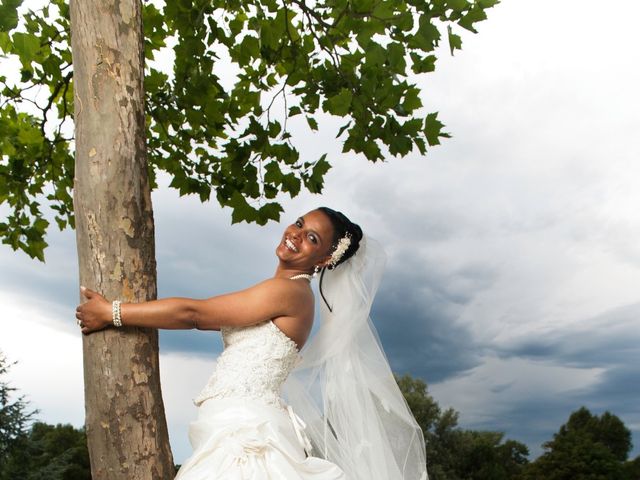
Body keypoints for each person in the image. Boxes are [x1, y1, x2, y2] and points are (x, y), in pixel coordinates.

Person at [76, 207, 428, 479]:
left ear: (323, 261)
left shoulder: (289, 292)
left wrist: (112, 313)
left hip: (245, 436)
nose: (296, 234)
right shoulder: (287, 291)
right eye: (300, 223)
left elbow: (194, 314)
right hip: (233, 425)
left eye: (312, 239)